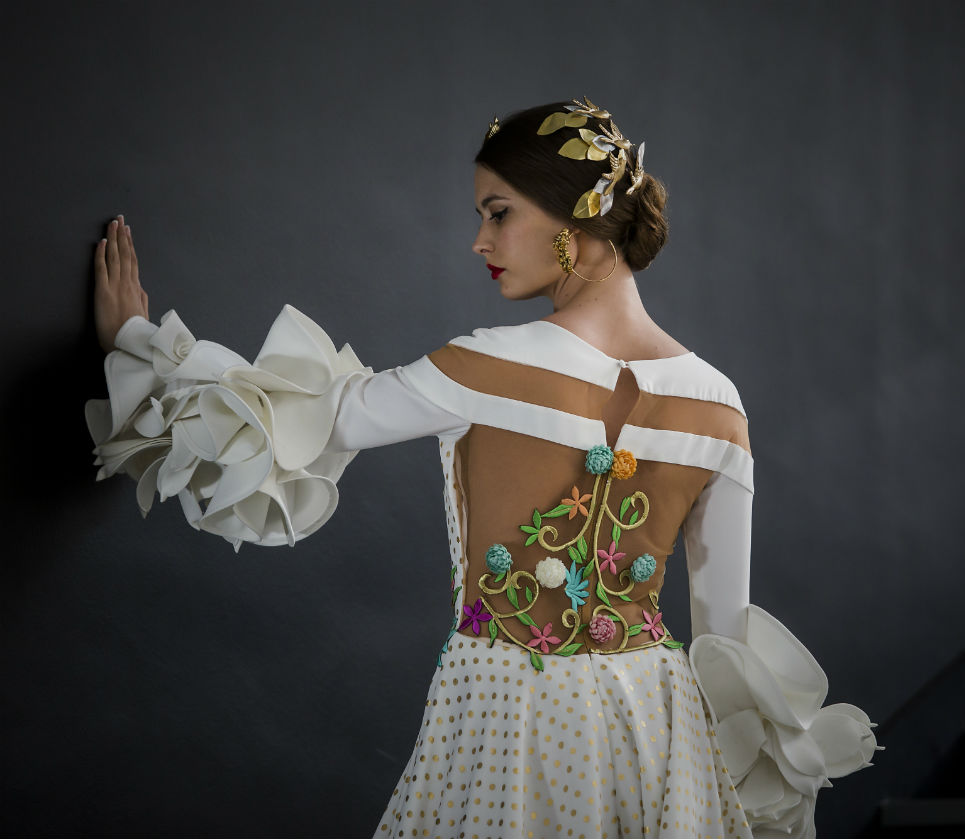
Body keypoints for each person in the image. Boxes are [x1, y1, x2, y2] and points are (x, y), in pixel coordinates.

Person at [87, 99, 877, 838]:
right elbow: (727, 646)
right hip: (657, 723)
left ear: (577, 216)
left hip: (510, 711)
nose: (480, 241)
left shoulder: (485, 365)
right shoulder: (720, 404)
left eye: (499, 213)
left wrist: (138, 343)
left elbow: (298, 422)